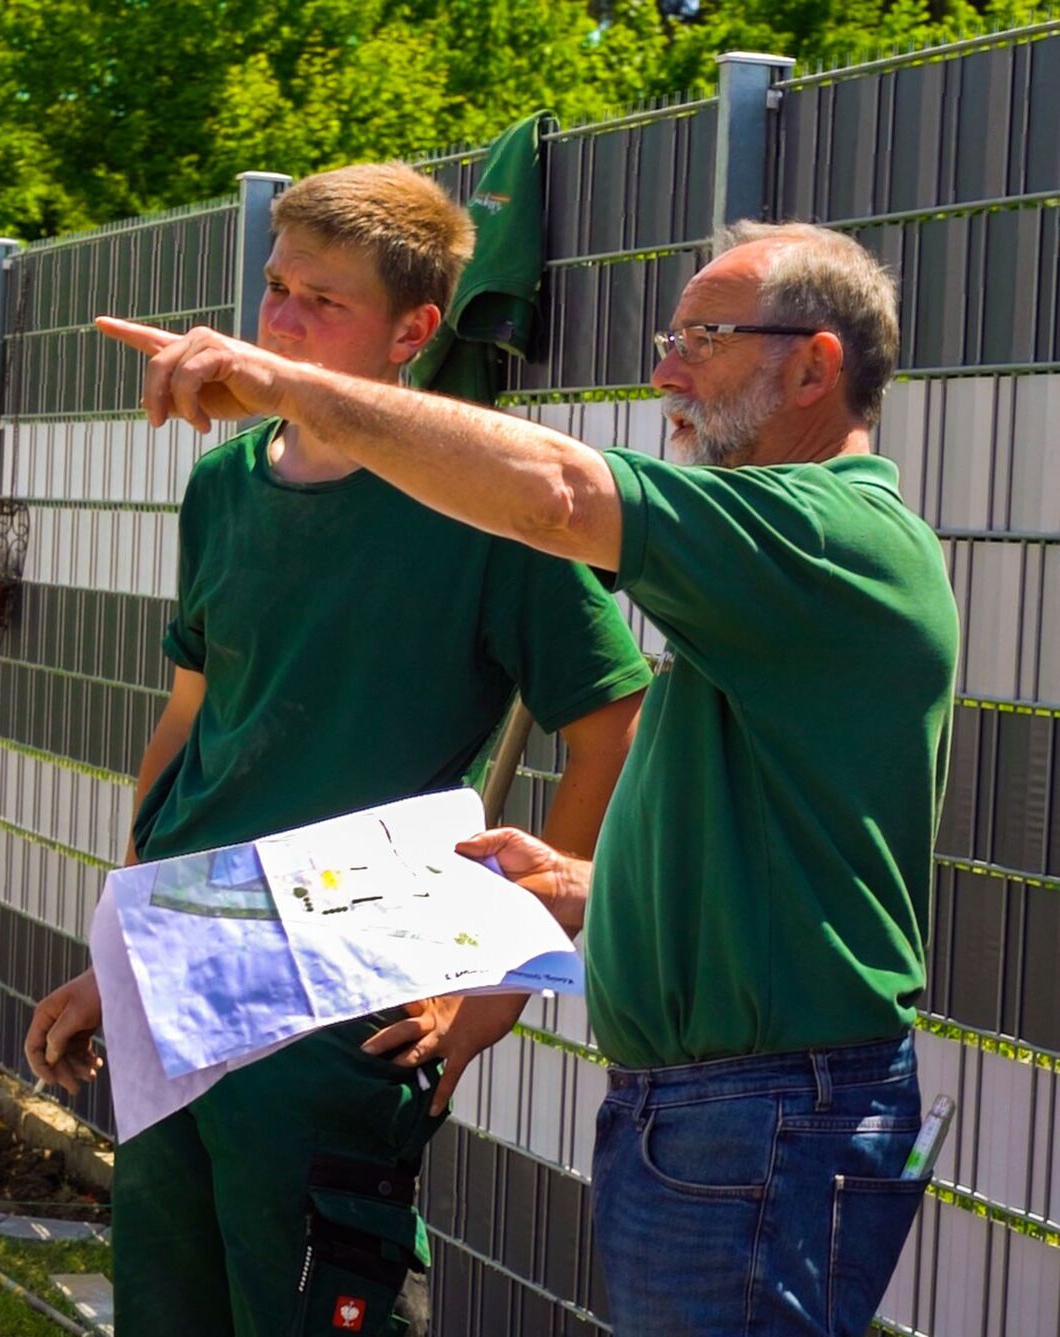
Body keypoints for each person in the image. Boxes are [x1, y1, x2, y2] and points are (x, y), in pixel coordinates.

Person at [98, 219, 960, 1337]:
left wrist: (290, 387)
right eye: (669, 339)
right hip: (728, 1106)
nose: (666, 372)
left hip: (766, 1108)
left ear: (815, 365)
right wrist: (595, 886)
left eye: (703, 339)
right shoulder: (784, 556)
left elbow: (554, 493)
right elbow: (791, 844)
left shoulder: (830, 534)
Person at [24, 162, 651, 1337]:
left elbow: (613, 723)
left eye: (324, 300)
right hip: (185, 983)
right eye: (276, 286)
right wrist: (127, 953)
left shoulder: (482, 502)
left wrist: (498, 981)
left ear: (413, 331)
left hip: (343, 998)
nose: (282, 319)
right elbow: (191, 724)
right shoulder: (222, 484)